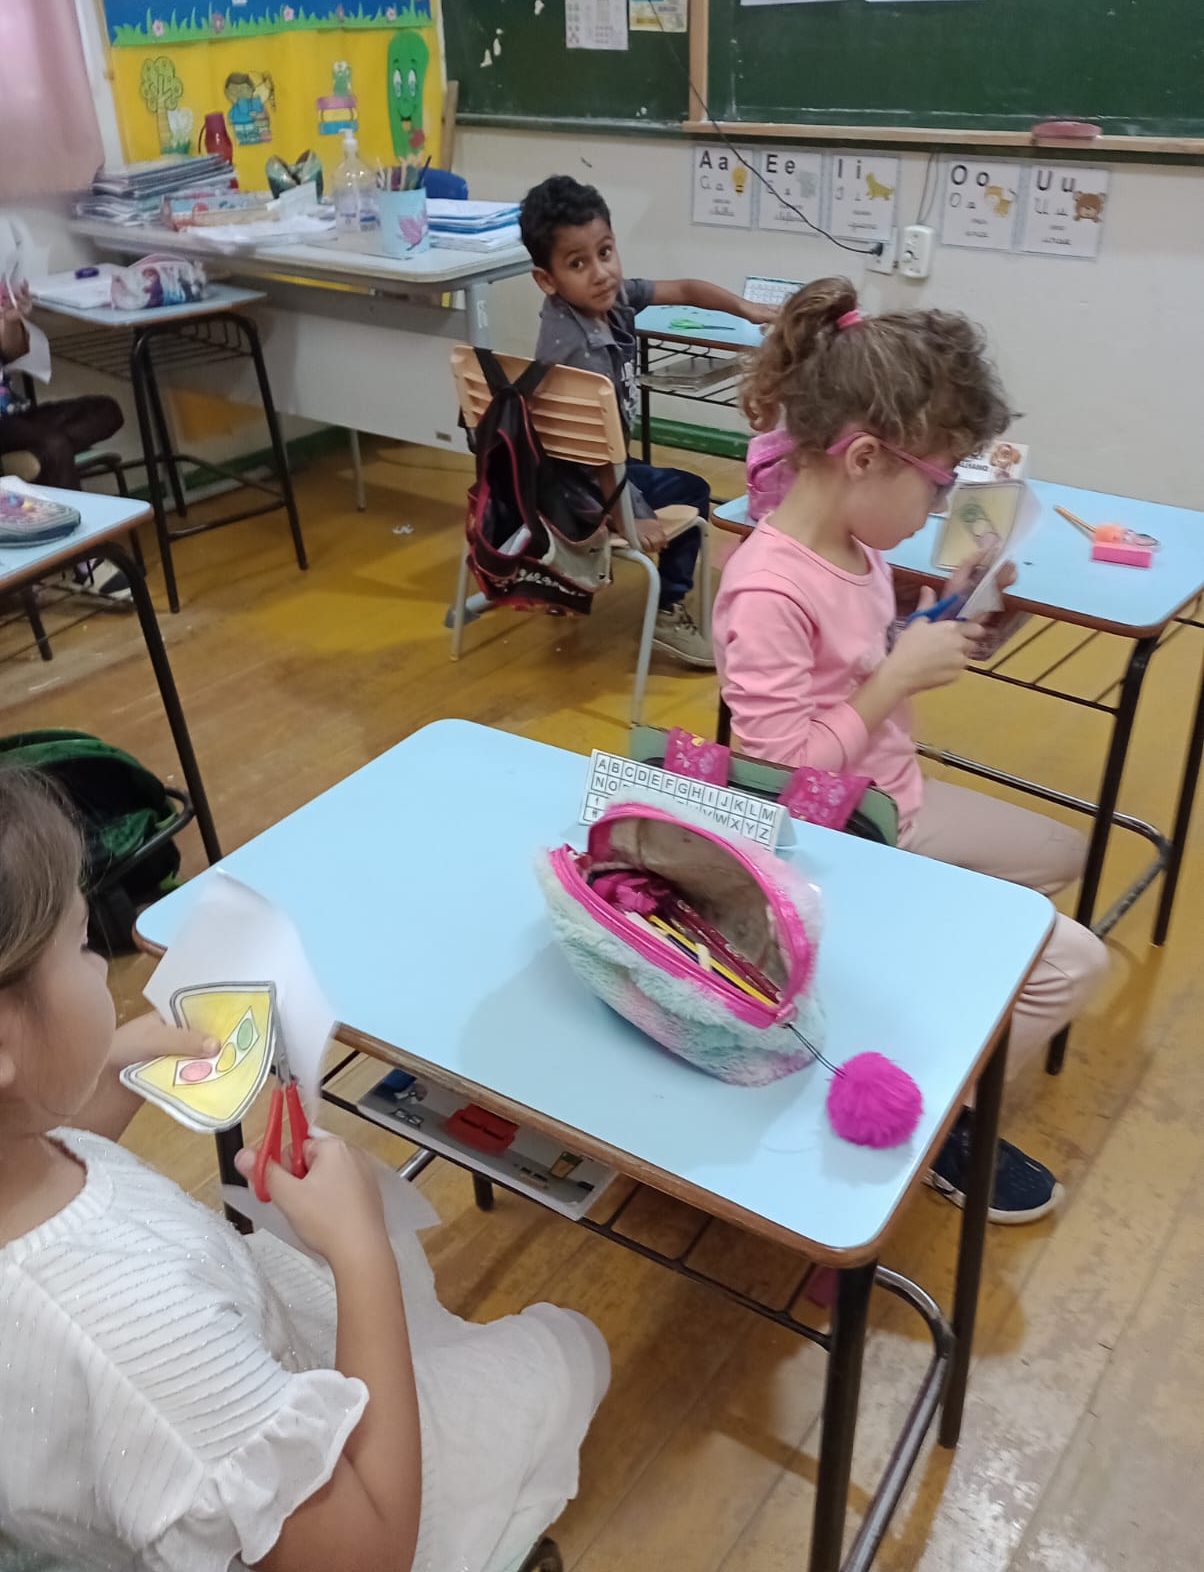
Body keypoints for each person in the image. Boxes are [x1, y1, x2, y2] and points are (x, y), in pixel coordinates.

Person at [0, 769, 608, 1572]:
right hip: (349, 1508)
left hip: (235, 1374)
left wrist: (112, 1062)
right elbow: (368, 1553)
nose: (99, 968)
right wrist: (360, 1250)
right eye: (84, 946)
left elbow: (54, 1147)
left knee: (382, 1284)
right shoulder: (139, 1339)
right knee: (572, 1346)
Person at [714, 276, 1109, 1225]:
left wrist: (954, 621)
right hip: (839, 843)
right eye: (937, 484)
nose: (939, 506)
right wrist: (895, 678)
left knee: (1066, 853)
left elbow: (860, 666)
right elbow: (781, 787)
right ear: (862, 457)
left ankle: (921, 1006)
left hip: (893, 802)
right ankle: (939, 1122)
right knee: (1074, 966)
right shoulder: (766, 589)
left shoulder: (858, 550)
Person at [519, 174, 776, 669]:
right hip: (579, 483)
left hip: (573, 470)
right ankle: (668, 613)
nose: (602, 273)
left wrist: (744, 308)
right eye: (578, 263)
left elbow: (683, 288)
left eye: (605, 252)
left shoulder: (601, 303)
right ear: (547, 280)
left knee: (647, 474)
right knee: (694, 492)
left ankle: (565, 582)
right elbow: (596, 454)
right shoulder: (580, 350)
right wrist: (629, 513)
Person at [1, 278, 129, 603]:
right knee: (54, 444)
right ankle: (84, 560)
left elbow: (13, 351)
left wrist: (12, 321)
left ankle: (32, 459)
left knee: (106, 410)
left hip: (14, 415)